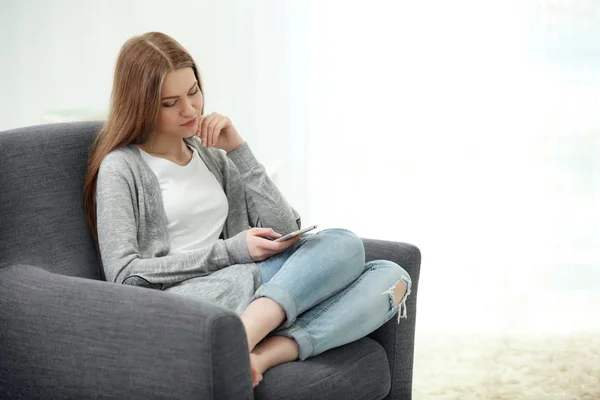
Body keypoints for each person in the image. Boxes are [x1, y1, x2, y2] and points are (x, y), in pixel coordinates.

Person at [83, 32, 412, 388]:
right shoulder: (121, 167)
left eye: (193, 91)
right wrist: (232, 250)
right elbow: (123, 275)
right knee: (346, 245)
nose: (190, 110)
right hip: (190, 301)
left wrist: (239, 151)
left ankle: (254, 352)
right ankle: (247, 334)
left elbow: (285, 227)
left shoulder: (210, 155)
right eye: (170, 102)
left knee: (392, 276)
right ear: (141, 105)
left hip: (249, 286)